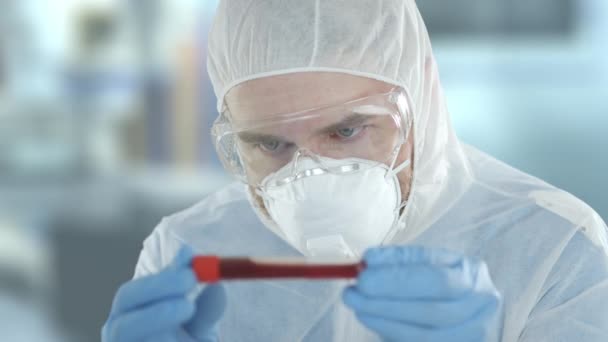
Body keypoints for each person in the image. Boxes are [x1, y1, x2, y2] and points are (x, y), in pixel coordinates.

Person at [102, 1, 608, 341]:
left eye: (346, 132)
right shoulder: (188, 253)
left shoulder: (555, 251)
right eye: (270, 143)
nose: (311, 178)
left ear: (423, 96)